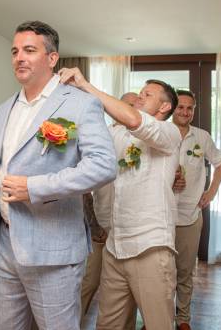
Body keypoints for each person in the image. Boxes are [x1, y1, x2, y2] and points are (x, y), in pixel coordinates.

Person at [0, 21, 116, 330]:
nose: (19, 57)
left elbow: (103, 165)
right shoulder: (5, 108)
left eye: (29, 50)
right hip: (7, 242)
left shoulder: (81, 104)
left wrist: (35, 187)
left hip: (54, 249)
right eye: (15, 51)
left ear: (52, 58)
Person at [59, 67, 180, 330]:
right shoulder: (117, 135)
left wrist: (85, 85)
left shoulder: (169, 134)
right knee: (108, 324)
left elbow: (135, 120)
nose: (139, 97)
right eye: (139, 93)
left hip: (150, 246)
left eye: (146, 94)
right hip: (114, 247)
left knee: (158, 325)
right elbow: (83, 145)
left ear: (164, 106)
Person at [79, 92, 139, 329]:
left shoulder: (142, 138)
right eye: (129, 105)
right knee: (89, 282)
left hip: (129, 229)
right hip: (100, 228)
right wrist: (94, 225)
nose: (134, 110)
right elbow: (83, 187)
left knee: (129, 290)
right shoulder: (99, 136)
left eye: (138, 106)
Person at [172, 90, 221, 330]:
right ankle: (157, 319)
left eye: (189, 108)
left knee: (184, 273)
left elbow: (220, 164)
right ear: (172, 107)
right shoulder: (160, 132)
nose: (185, 112)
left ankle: (183, 318)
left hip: (190, 216)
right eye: (181, 107)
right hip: (160, 215)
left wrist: (211, 192)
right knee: (160, 275)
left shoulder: (202, 137)